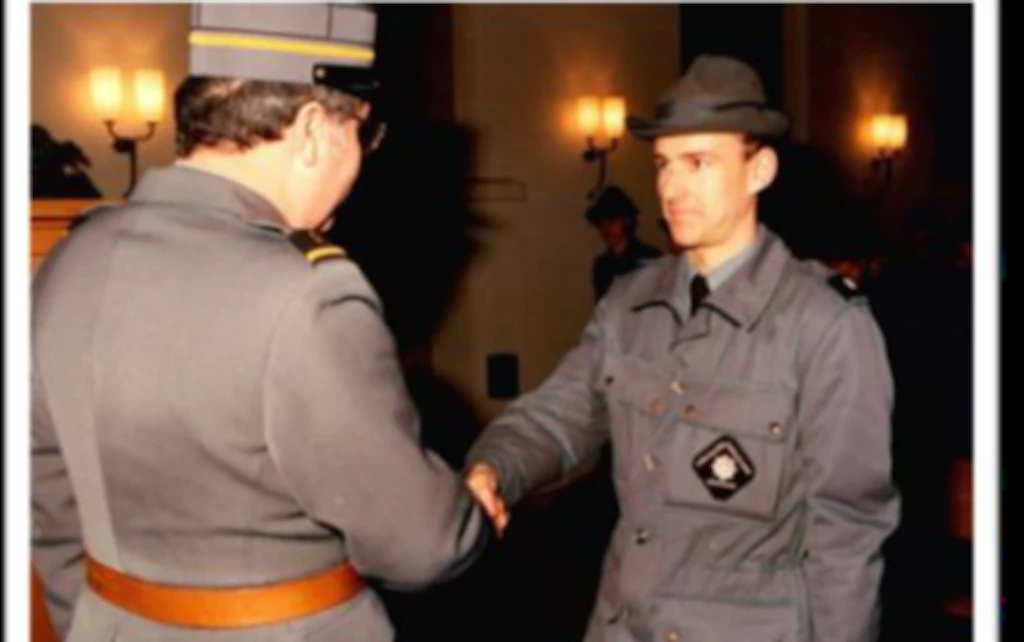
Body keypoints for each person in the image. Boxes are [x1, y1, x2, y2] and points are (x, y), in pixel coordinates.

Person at [31, 4, 489, 641]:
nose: (360, 159)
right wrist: (469, 514)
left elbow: (48, 505)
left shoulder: (67, 260)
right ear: (310, 131)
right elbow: (422, 544)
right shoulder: (308, 293)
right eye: (361, 133)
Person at [465, 54, 899, 642]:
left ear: (760, 170)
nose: (671, 186)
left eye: (698, 163)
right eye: (664, 164)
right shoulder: (629, 305)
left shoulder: (825, 327)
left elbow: (847, 538)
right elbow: (558, 414)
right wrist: (496, 466)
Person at [586, 185, 663, 301]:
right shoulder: (602, 266)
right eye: (602, 222)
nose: (606, 228)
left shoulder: (651, 259)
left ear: (627, 221)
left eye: (611, 221)